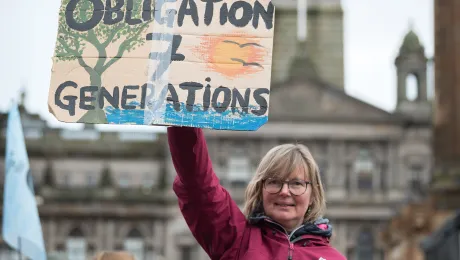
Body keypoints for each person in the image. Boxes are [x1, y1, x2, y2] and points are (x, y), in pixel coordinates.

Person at [168, 126, 346, 260]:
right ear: (260, 190)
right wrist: (184, 112)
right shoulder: (237, 239)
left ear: (313, 194)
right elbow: (198, 185)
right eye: (274, 182)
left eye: (297, 184)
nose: (284, 192)